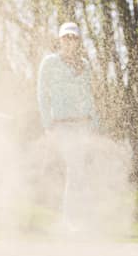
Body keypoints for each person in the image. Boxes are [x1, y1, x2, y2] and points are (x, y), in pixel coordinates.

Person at [37, 22, 100, 230]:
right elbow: (42, 95)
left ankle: (74, 219)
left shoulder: (84, 64)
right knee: (72, 169)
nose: (69, 41)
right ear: (60, 39)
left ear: (78, 41)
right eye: (66, 37)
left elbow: (88, 96)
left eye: (73, 38)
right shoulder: (50, 63)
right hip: (60, 125)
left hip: (81, 124)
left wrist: (95, 123)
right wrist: (47, 124)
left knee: (79, 171)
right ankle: (69, 221)